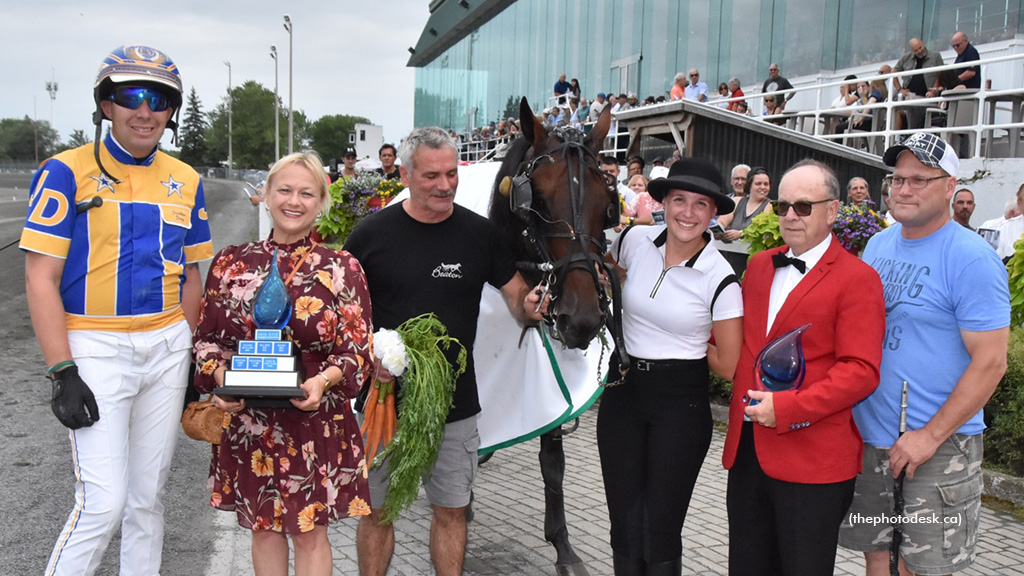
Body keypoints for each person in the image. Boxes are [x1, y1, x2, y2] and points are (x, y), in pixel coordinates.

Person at [21, 45, 214, 575]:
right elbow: (40, 276)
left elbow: (192, 276)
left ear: (172, 110)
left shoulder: (188, 179)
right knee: (101, 503)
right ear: (106, 104)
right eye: (131, 96)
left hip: (168, 347)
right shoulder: (64, 171)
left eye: (160, 99)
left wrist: (195, 359)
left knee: (147, 499)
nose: (145, 110)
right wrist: (62, 371)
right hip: (94, 348)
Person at [344, 127, 544, 576]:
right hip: (382, 404)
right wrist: (365, 357)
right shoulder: (371, 235)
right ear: (408, 175)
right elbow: (345, 315)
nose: (445, 185)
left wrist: (529, 306)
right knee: (378, 512)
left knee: (451, 511)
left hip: (454, 406)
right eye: (432, 175)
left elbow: (516, 297)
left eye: (452, 174)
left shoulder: (480, 235)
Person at [193, 151, 372, 575]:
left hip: (313, 419)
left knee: (310, 534)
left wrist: (323, 382)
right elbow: (205, 341)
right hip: (249, 421)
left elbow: (357, 350)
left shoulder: (341, 267)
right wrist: (224, 380)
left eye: (307, 193)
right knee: (263, 528)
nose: (294, 201)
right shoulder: (230, 262)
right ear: (266, 195)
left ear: (321, 203)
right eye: (285, 190)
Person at [840, 132, 1009, 576]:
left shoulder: (971, 258)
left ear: (950, 185)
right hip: (873, 436)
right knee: (877, 555)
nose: (904, 189)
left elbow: (991, 362)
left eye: (920, 179)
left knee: (923, 567)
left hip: (937, 446)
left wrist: (929, 436)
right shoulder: (879, 245)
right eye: (897, 180)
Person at [722, 159, 885, 576]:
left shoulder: (858, 279)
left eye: (803, 206)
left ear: (832, 211)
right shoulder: (760, 266)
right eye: (782, 206)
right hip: (749, 455)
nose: (790, 215)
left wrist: (788, 409)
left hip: (813, 462)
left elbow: (861, 370)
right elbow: (738, 342)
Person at [602, 157, 743, 576]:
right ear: (664, 202)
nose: (687, 212)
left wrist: (683, 345)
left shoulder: (720, 278)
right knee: (624, 521)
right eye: (679, 199)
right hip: (621, 393)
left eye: (701, 204)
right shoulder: (634, 241)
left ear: (714, 212)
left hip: (680, 404)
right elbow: (606, 270)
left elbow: (729, 365)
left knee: (660, 526)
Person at [893, 38, 945, 129]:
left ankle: (911, 135)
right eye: (916, 50)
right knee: (894, 108)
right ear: (912, 51)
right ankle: (898, 137)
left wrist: (934, 90)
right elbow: (894, 72)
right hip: (910, 96)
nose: (920, 51)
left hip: (928, 97)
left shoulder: (935, 56)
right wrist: (899, 89)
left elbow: (941, 75)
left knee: (915, 111)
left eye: (920, 47)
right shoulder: (906, 58)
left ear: (923, 43)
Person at [717, 167, 772, 241]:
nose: (762, 187)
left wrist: (741, 234)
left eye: (766, 184)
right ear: (749, 185)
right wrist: (717, 231)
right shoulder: (736, 201)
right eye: (758, 184)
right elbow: (722, 222)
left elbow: (762, 231)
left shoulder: (770, 205)